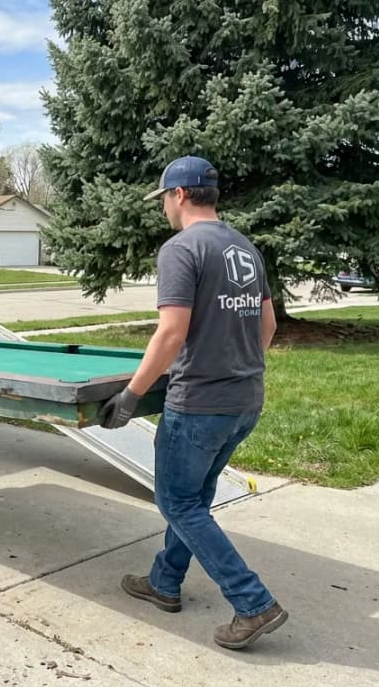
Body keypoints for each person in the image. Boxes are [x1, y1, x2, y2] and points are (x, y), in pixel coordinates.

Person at [97, 156, 286, 650]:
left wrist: (132, 395)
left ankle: (252, 602)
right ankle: (164, 582)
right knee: (194, 500)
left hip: (199, 403)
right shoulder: (244, 247)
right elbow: (267, 327)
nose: (163, 206)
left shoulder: (181, 249)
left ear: (179, 195)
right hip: (245, 400)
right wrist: (237, 369)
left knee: (176, 501)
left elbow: (172, 332)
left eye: (163, 197)